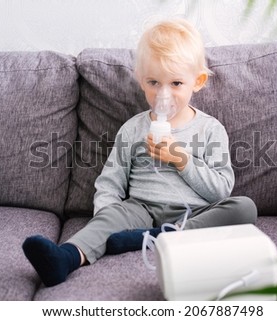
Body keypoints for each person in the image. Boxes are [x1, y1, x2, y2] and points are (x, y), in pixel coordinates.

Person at [22, 18, 257, 287]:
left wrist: (181, 160)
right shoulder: (133, 129)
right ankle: (66, 257)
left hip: (194, 214)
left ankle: (164, 236)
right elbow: (111, 181)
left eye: (176, 83)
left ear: (198, 81)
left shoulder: (210, 129)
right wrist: (108, 219)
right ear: (141, 82)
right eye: (154, 82)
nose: (163, 94)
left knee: (244, 207)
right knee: (112, 214)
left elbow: (222, 190)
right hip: (140, 209)